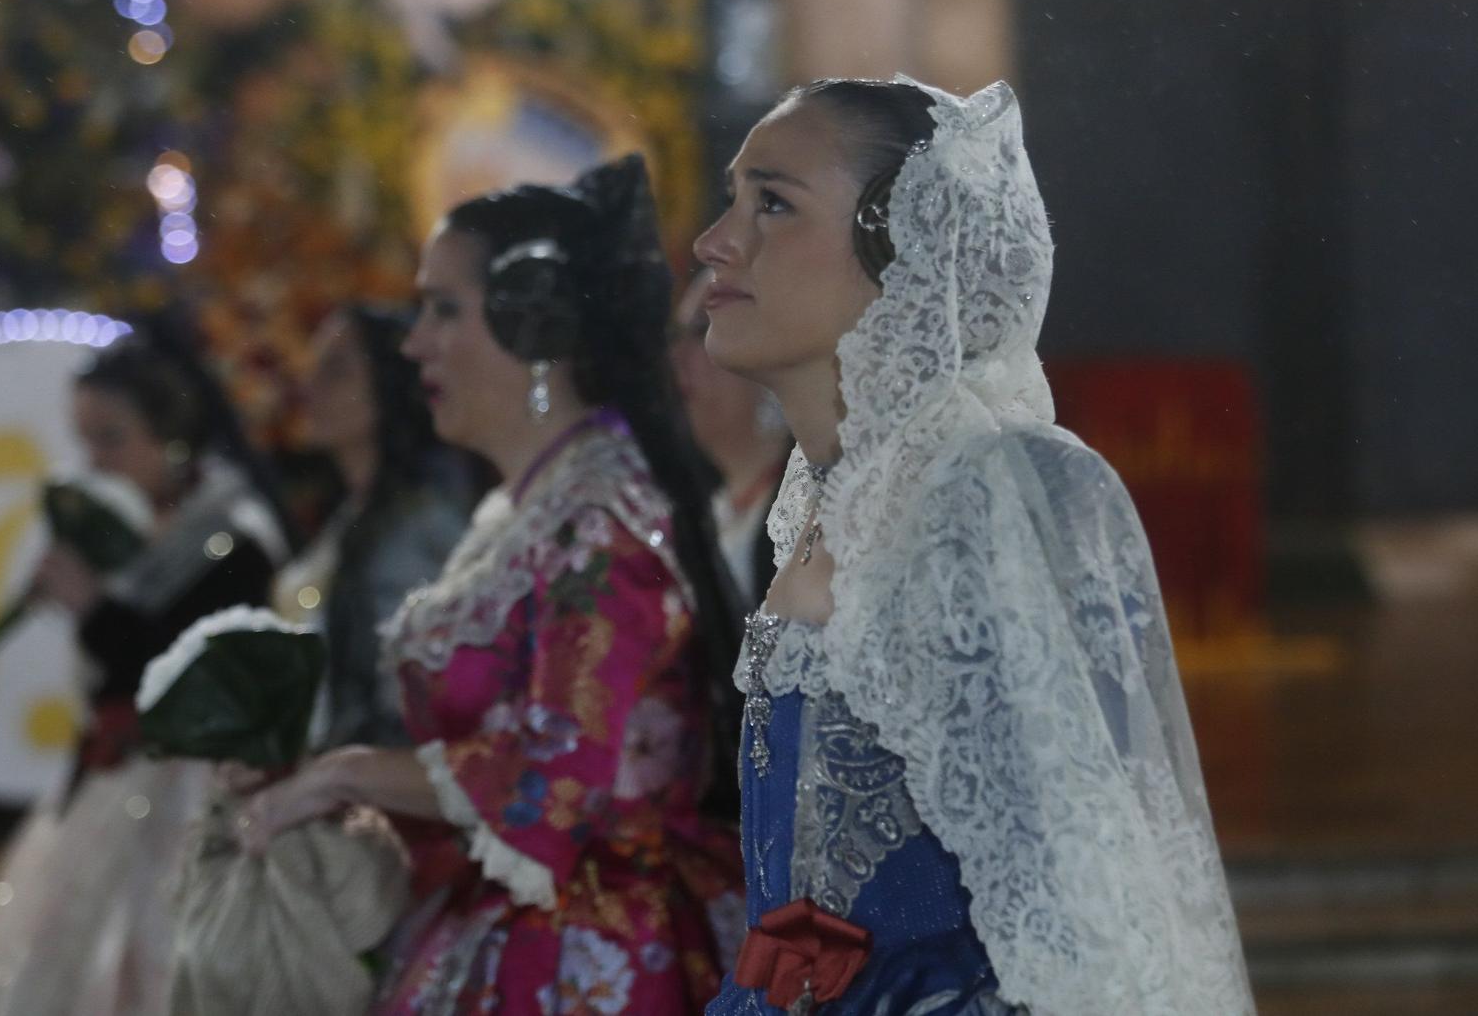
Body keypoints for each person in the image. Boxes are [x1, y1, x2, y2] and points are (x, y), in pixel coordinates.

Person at [694, 78, 1255, 1014]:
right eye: (733, 199)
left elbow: (1088, 905)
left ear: (905, 247)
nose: (716, 240)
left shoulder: (995, 488)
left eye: (774, 204)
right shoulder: (828, 503)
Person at [239, 156, 746, 1015]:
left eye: (442, 308)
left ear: (531, 319)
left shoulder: (600, 518)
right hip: (524, 917)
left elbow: (554, 779)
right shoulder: (536, 506)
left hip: (598, 951)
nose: (413, 343)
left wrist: (345, 775)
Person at [0, 334, 287, 1016]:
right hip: (111, 787)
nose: (97, 462)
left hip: (192, 798)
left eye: (112, 437)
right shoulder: (131, 531)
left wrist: (94, 607)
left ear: (173, 434)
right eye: (86, 442)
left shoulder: (233, 537)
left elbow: (192, 676)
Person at [273, 304, 474, 747]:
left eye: (337, 370)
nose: (310, 386)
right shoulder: (354, 513)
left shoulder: (420, 523)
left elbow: (410, 700)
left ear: (390, 384)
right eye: (313, 368)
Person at [670, 268, 791, 612]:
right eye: (675, 336)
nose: (677, 357)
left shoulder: (809, 513)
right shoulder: (708, 513)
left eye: (701, 331)